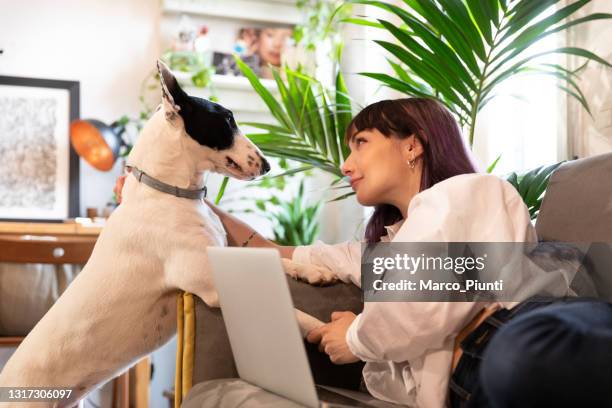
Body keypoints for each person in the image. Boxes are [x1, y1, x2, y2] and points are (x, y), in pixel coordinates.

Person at [114, 98, 612, 407]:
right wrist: (184, 202)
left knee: (522, 364)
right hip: (471, 382)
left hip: (521, 336)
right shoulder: (385, 249)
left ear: (413, 145)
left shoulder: (471, 191)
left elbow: (419, 304)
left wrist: (353, 336)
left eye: (361, 143)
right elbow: (279, 253)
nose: (346, 164)